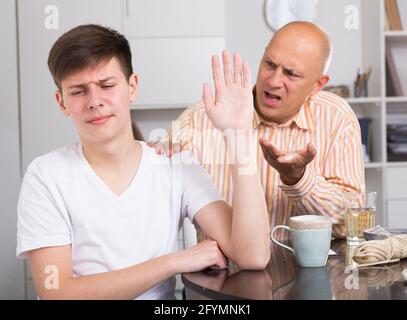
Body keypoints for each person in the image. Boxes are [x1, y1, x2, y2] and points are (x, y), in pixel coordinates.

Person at [16, 24, 270, 300]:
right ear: (62, 102)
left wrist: (239, 134)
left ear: (132, 86)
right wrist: (174, 261)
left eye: (107, 85)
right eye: (78, 91)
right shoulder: (45, 176)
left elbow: (253, 255)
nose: (95, 101)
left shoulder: (176, 165)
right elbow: (56, 292)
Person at [153, 21, 365, 241]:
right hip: (221, 269)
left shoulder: (337, 118)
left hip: (310, 269)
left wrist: (299, 180)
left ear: (317, 85)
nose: (273, 81)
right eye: (270, 64)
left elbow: (351, 222)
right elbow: (154, 200)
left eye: (291, 74)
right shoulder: (203, 117)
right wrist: (155, 162)